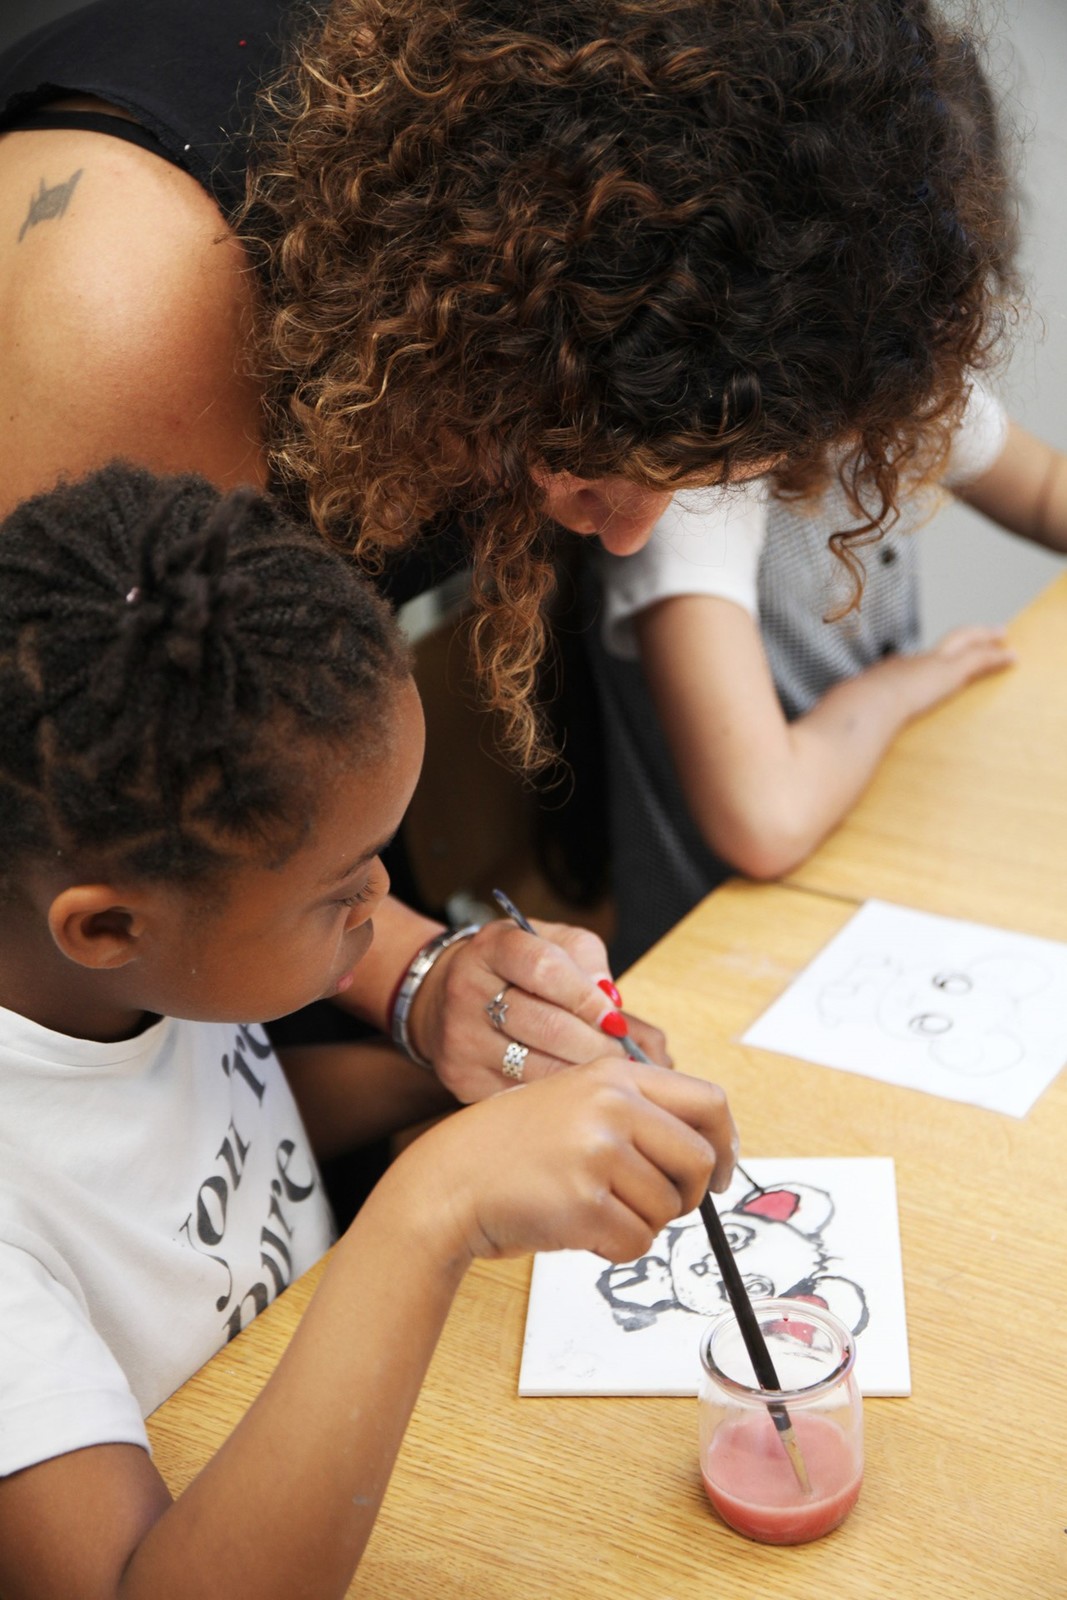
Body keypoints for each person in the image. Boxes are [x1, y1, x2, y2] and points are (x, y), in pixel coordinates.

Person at [0, 0, 1020, 1094]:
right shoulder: (122, 302)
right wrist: (401, 972)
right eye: (591, 465)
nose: (627, 531)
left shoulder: (499, 311)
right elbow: (86, 817)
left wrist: (420, 974)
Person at [0, 462, 737, 1600]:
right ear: (105, 926)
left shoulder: (131, 976)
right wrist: (433, 1205)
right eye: (339, 890)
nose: (383, 899)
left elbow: (210, 1145)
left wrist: (449, 1097)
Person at [590, 381, 1067, 968]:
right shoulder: (702, 477)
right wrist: (897, 688)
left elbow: (1046, 489)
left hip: (887, 858)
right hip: (726, 949)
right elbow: (766, 820)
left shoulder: (901, 377)